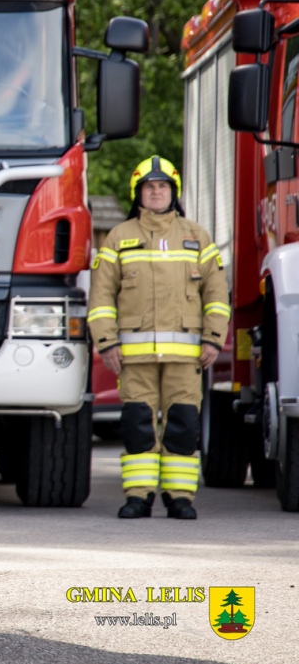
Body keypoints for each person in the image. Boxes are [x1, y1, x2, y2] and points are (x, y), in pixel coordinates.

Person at [87, 156, 228, 520]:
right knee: (137, 427)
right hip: (133, 357)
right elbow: (101, 295)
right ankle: (139, 497)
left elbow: (216, 293)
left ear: (173, 192)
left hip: (186, 356)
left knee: (183, 425)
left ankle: (180, 498)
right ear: (138, 194)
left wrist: (213, 339)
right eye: (148, 187)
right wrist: (107, 342)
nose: (155, 192)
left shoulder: (197, 236)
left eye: (162, 186)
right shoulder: (119, 237)